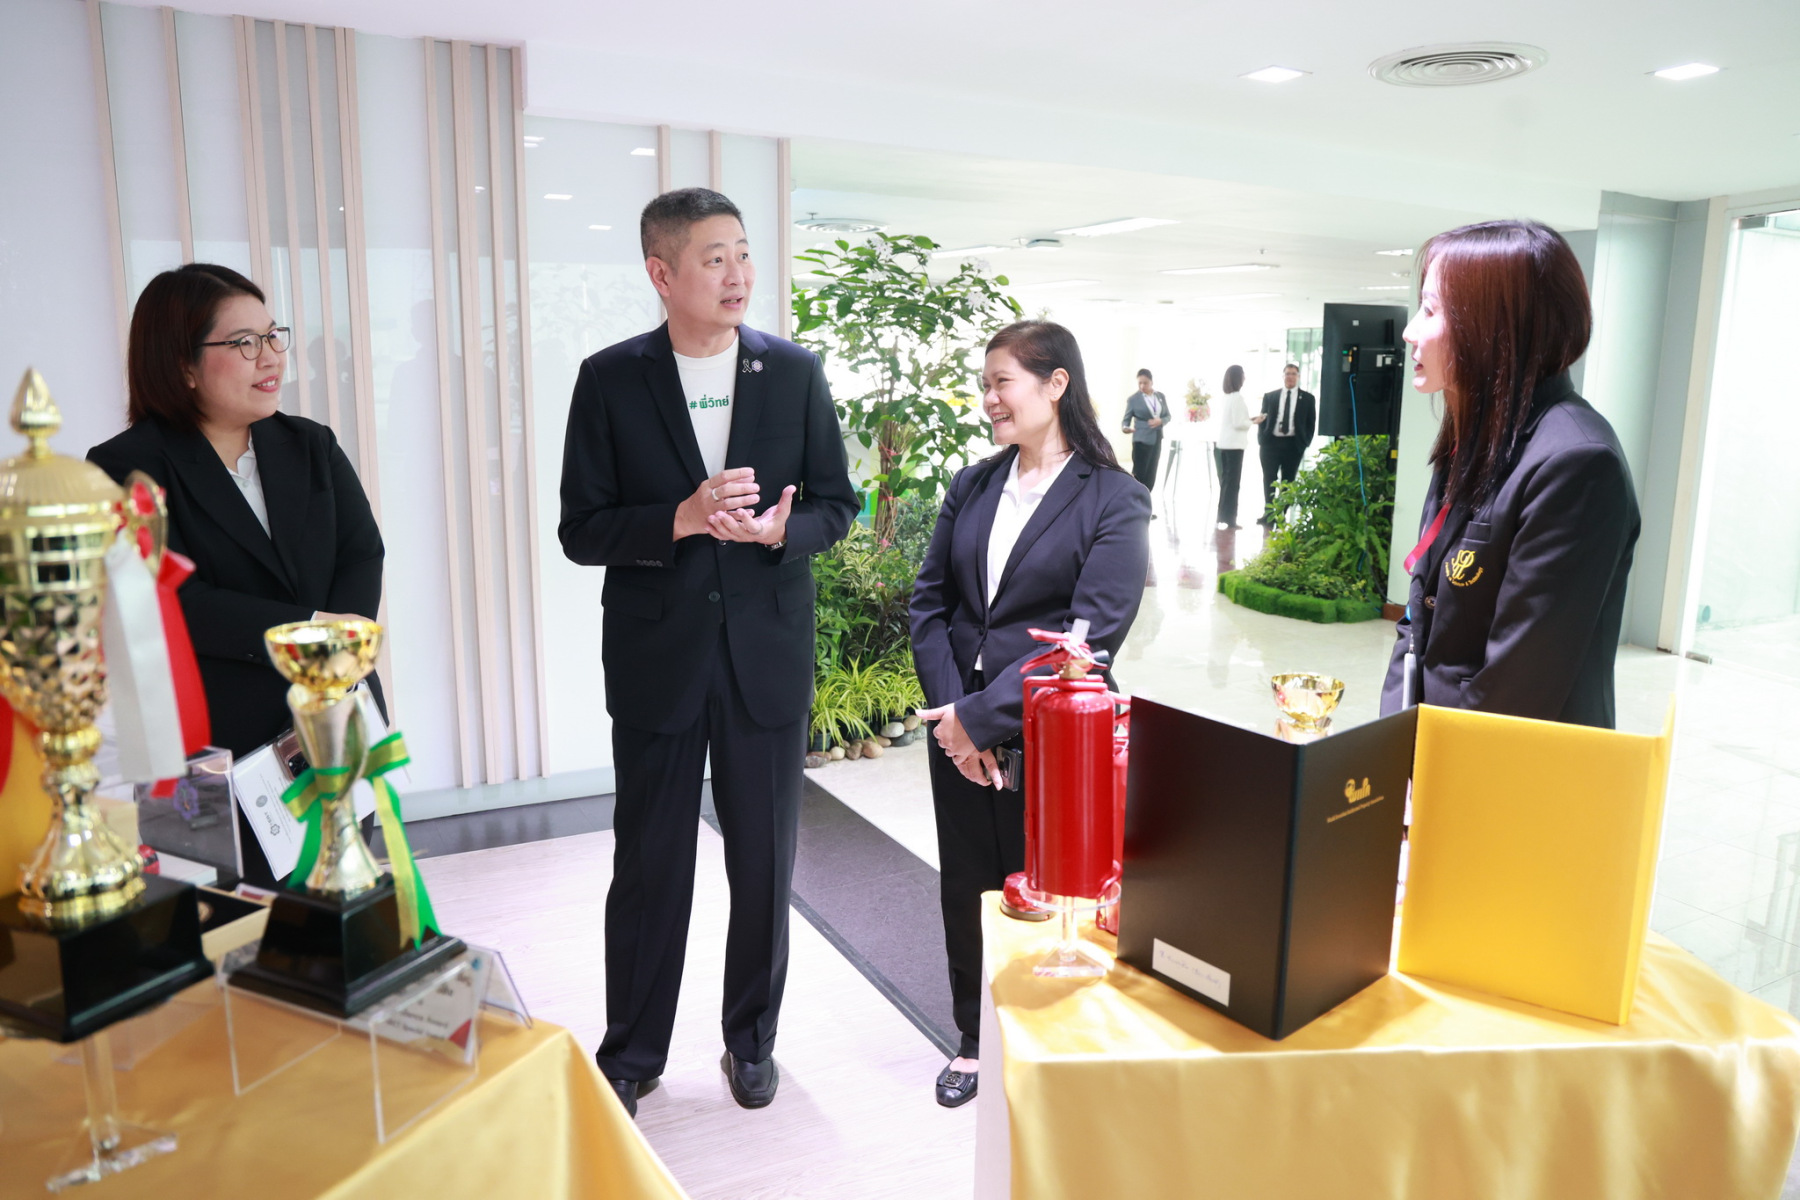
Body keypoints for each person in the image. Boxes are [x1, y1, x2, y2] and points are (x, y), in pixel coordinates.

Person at [558, 188, 857, 1117]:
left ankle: (752, 1042)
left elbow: (838, 505)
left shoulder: (793, 371)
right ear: (662, 273)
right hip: (659, 659)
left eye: (743, 254)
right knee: (650, 867)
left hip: (765, 654)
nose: (737, 275)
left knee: (764, 866)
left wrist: (781, 532)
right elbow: (581, 529)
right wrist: (679, 519)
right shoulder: (610, 378)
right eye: (714, 258)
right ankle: (633, 1052)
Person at [910, 320, 1151, 1109]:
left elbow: (1090, 639)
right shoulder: (973, 485)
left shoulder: (1114, 499)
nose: (989, 399)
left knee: (1046, 892)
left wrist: (982, 718)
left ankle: (1048, 1041)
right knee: (966, 887)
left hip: (1055, 737)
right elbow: (931, 604)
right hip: (957, 728)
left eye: (1002, 382)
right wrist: (955, 718)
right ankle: (975, 1039)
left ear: (1056, 385)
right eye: (985, 384)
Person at [87, 264, 384, 761]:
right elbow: (173, 600)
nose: (271, 357)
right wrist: (310, 634)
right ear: (183, 366)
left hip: (340, 709)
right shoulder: (125, 466)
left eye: (272, 336)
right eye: (245, 342)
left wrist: (338, 658)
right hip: (218, 734)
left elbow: (361, 554)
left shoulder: (311, 443)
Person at [1381, 219, 1640, 728]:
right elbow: (1417, 620)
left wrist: (1432, 762)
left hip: (1504, 761)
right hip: (1432, 744)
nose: (1410, 331)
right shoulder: (1473, 437)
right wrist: (1392, 739)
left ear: (1493, 326)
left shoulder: (1577, 462)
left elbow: (1518, 686)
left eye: (1430, 310)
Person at [1254, 363, 1315, 525]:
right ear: (1283, 376)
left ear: (1298, 376)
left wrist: (1305, 442)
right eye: (1287, 374)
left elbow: (1311, 423)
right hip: (1271, 444)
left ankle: (1281, 514)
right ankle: (1269, 514)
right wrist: (1262, 438)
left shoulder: (1308, 398)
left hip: (1293, 445)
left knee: (1288, 480)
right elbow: (1262, 419)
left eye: (1293, 374)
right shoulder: (1270, 396)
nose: (1290, 377)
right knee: (1269, 478)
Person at [1213, 365, 1251, 530]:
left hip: (1224, 444)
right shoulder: (1237, 398)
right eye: (1243, 375)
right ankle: (1230, 519)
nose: (1244, 378)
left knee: (1226, 482)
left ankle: (1222, 515)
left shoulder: (1226, 398)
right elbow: (1238, 423)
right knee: (1233, 484)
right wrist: (1253, 421)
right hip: (1235, 445)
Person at [1120, 369, 1167, 496]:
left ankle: (1146, 500)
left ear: (1151, 382)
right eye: (1139, 383)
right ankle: (1135, 500)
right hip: (1141, 440)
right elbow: (1126, 421)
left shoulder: (1160, 397)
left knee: (1152, 472)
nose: (1142, 386)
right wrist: (1125, 428)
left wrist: (1160, 421)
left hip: (1156, 438)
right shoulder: (1133, 399)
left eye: (1145, 383)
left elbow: (1167, 416)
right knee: (1139, 474)